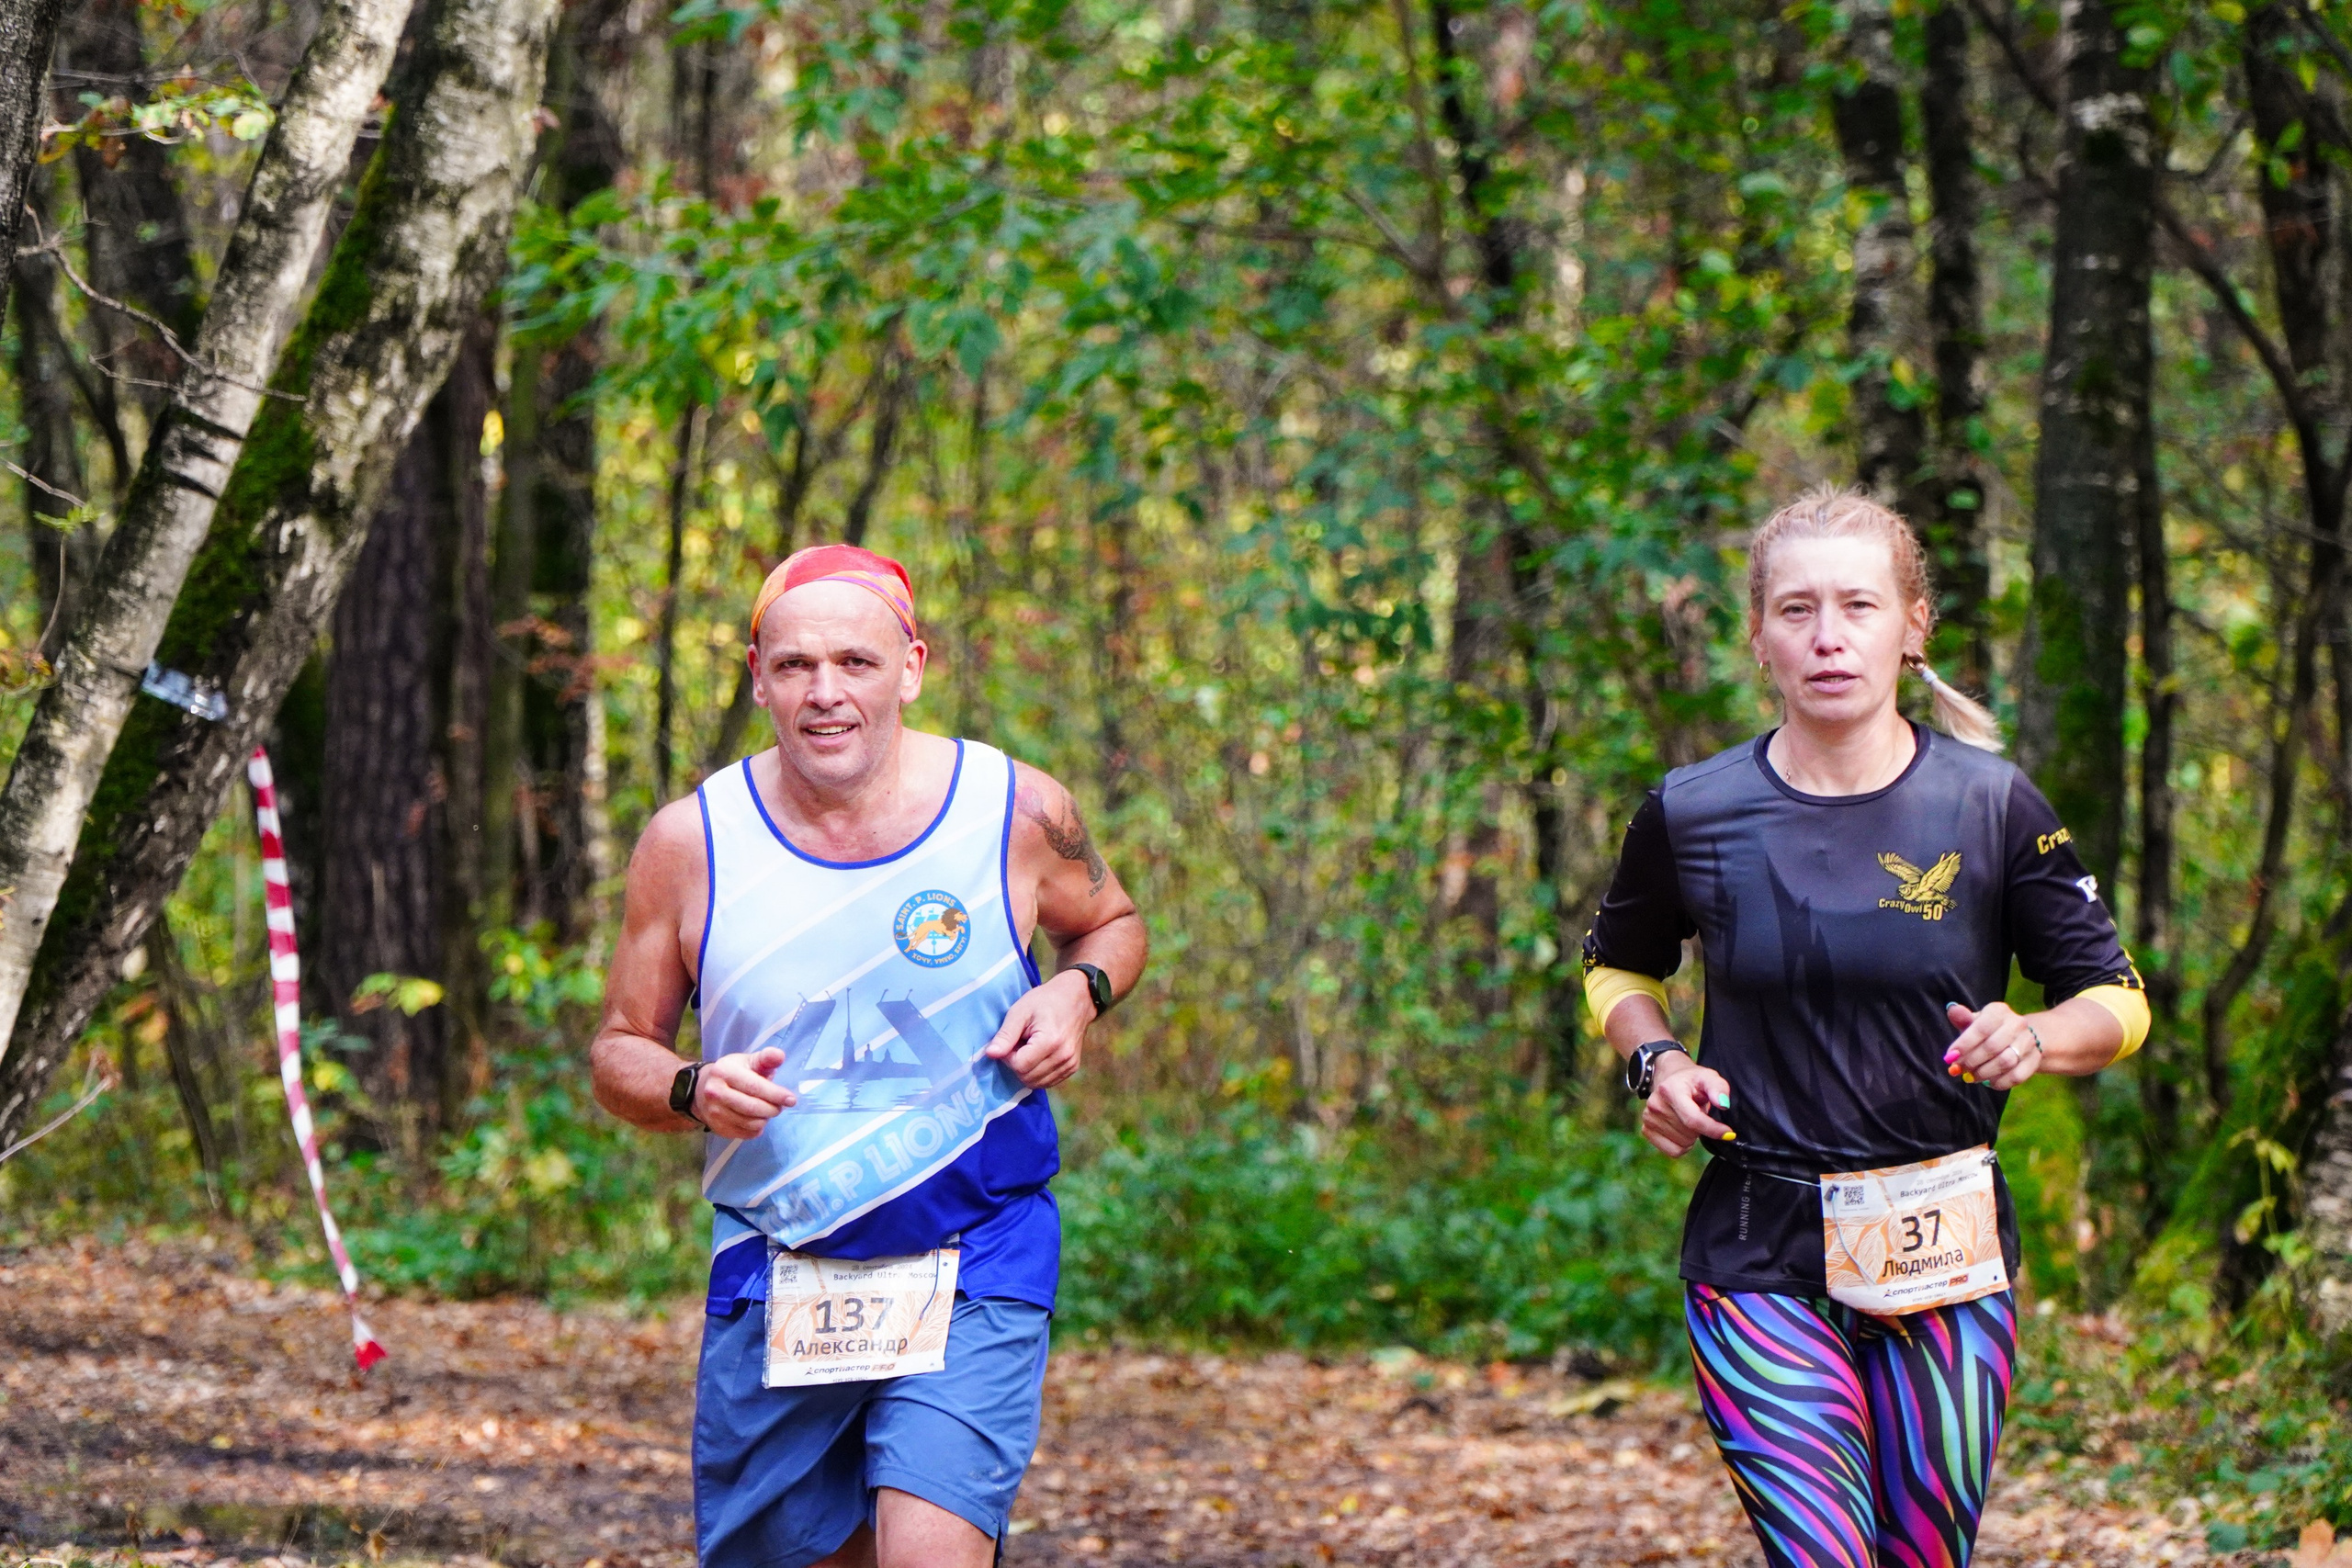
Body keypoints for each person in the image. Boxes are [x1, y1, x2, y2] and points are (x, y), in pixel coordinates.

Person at [1580, 488, 2148, 1568]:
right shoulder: (1690, 812)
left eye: (1857, 605)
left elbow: (2117, 998)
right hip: (1758, 1241)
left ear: (1913, 624)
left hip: (1944, 1245)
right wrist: (1655, 1058)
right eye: (1796, 611)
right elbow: (1618, 966)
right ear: (1758, 635)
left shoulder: (1989, 804)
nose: (1828, 637)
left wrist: (2032, 1036)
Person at [590, 542, 1148, 1568]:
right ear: (757, 675)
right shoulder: (691, 843)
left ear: (912, 668)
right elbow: (618, 1050)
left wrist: (1079, 989)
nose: (824, 693)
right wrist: (688, 1087)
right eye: (795, 666)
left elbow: (1111, 922)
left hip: (978, 1245)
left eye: (855, 662)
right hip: (780, 1263)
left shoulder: (1017, 809)